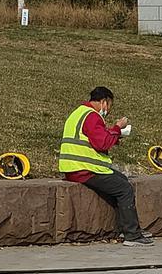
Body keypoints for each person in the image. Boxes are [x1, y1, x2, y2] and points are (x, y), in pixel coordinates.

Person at [59, 85, 155, 246]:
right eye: (109, 105)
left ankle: (128, 227)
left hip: (72, 167)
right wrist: (118, 127)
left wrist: (115, 135)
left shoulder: (79, 113)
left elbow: (97, 136)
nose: (108, 110)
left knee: (122, 179)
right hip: (86, 169)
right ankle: (132, 235)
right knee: (124, 189)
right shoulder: (92, 116)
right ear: (104, 102)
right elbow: (102, 143)